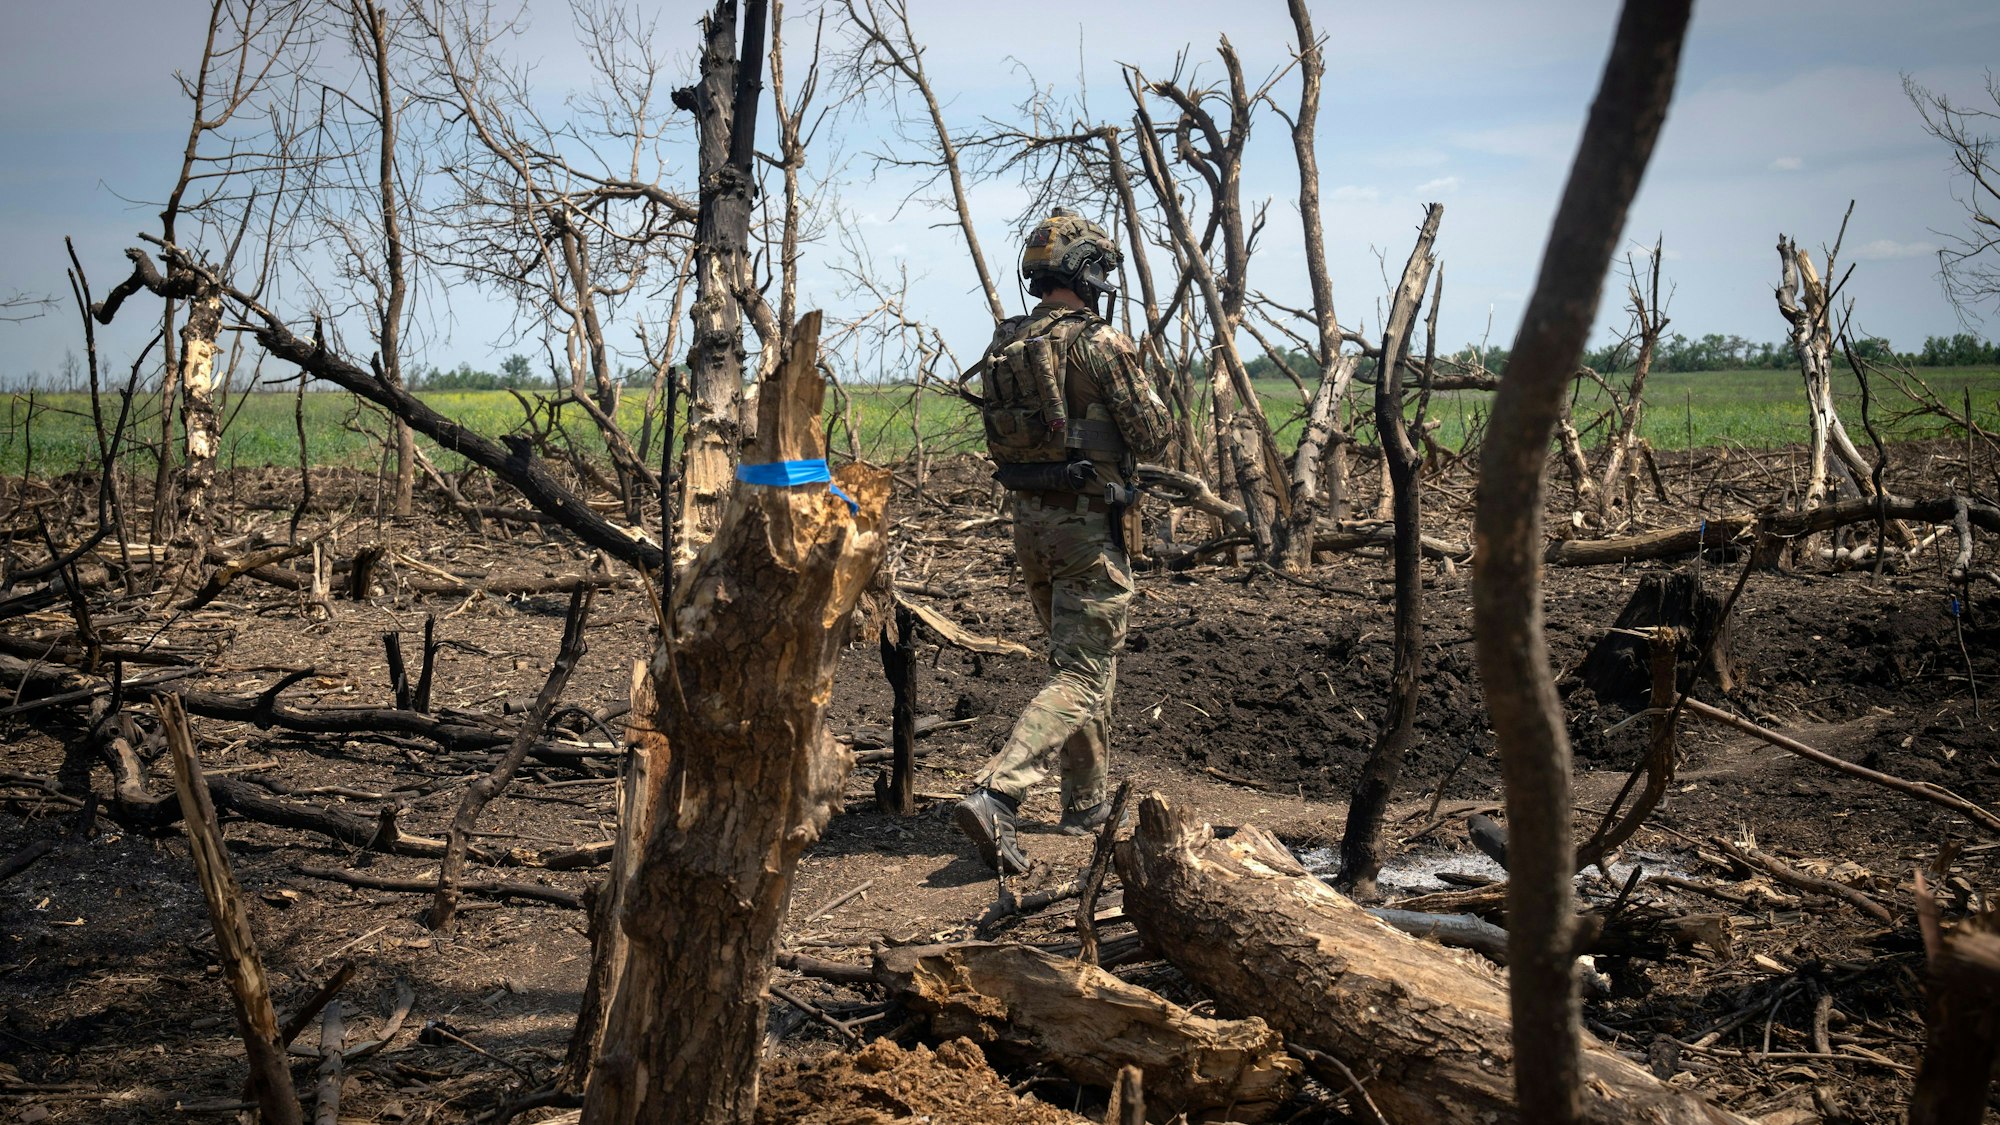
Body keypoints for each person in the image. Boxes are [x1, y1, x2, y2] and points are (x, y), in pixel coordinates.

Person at [954, 207, 1173, 875]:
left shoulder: (1007, 343)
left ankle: (1086, 802)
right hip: (1087, 526)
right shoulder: (1100, 344)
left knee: (1086, 664)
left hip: (1033, 526)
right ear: (1084, 272)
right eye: (1101, 269)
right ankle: (1000, 791)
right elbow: (1155, 434)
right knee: (1081, 669)